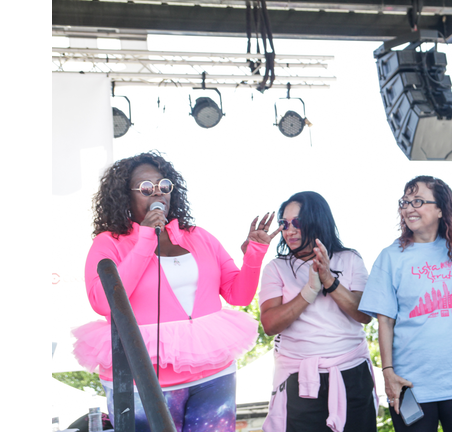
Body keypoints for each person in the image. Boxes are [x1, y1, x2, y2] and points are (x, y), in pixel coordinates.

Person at [72, 151, 279, 432]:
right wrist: (145, 239)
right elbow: (104, 303)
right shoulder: (110, 243)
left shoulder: (199, 236)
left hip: (213, 373)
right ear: (125, 196)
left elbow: (238, 296)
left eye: (164, 185)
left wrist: (255, 254)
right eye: (146, 188)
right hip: (142, 381)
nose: (158, 193)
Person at [358, 176, 452, 432]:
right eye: (405, 202)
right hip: (409, 384)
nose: (408, 208)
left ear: (440, 209)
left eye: (418, 201)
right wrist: (388, 373)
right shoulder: (390, 257)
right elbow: (385, 321)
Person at [259, 191, 377, 432]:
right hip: (299, 379)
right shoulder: (276, 268)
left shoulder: (350, 259)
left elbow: (364, 315)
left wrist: (329, 280)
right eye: (284, 223)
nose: (289, 230)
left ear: (317, 221)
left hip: (351, 374)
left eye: (297, 223)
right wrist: (309, 291)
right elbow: (270, 325)